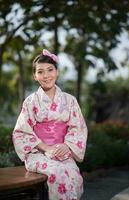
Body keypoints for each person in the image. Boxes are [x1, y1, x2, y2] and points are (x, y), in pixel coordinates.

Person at [12, 49, 88, 200]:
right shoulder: (30, 101)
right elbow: (21, 132)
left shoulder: (70, 100)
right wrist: (46, 148)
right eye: (40, 72)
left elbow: (78, 127)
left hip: (61, 151)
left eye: (50, 70)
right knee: (57, 173)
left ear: (57, 72)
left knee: (74, 175)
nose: (46, 75)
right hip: (38, 153)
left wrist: (67, 145)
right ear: (35, 76)